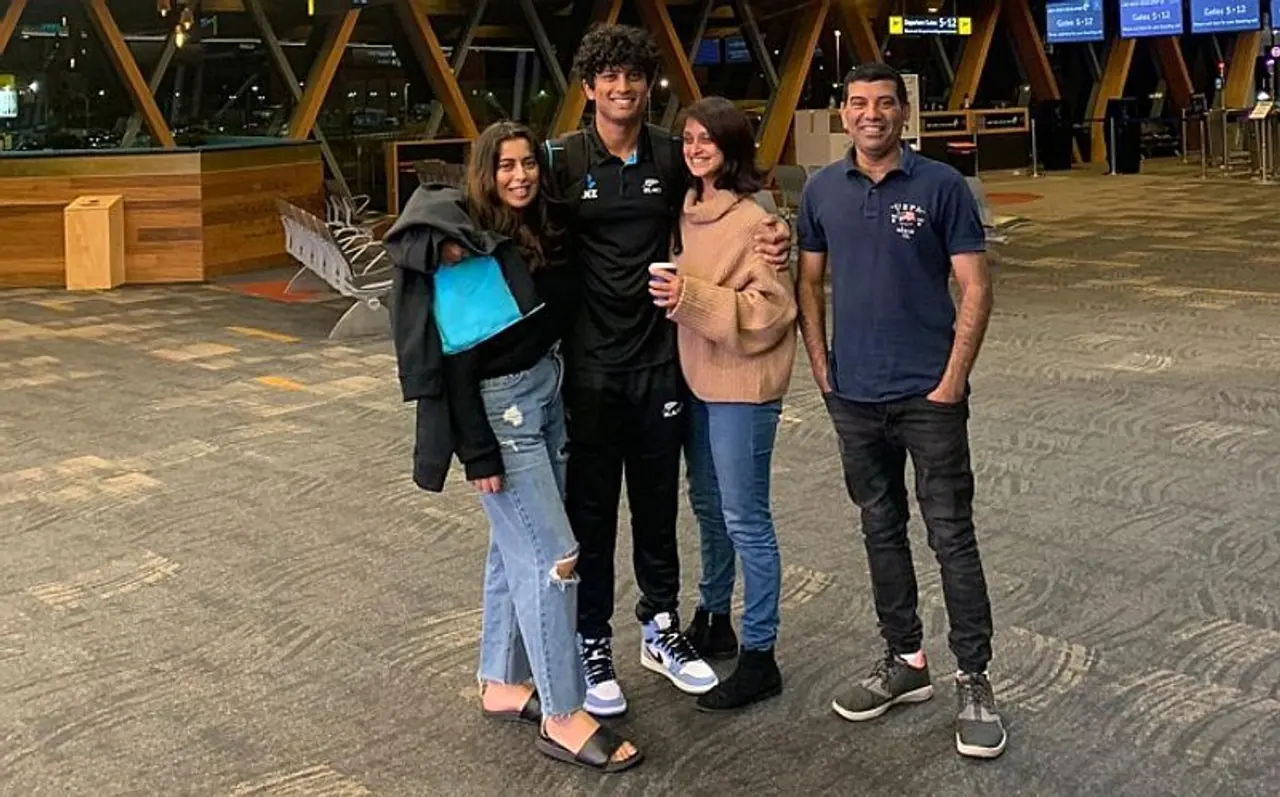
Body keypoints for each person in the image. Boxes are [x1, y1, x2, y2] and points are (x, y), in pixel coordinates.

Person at [543, 24, 793, 717]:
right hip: (591, 367)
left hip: (662, 362)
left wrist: (777, 226)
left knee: (658, 508)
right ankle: (594, 639)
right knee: (592, 513)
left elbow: (732, 196)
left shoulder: (672, 154)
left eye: (633, 76)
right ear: (588, 87)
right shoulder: (563, 159)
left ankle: (660, 626)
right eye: (608, 77)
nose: (622, 88)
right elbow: (505, 207)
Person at [384, 122, 642, 773]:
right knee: (555, 557)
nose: (520, 175)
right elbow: (458, 358)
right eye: (505, 166)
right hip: (503, 411)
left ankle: (501, 680)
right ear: (485, 172)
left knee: (513, 548)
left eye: (528, 163)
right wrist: (478, 452)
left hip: (546, 390)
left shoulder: (540, 225)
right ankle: (563, 712)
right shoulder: (465, 242)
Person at [794, 62, 1006, 759]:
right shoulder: (821, 190)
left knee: (951, 535)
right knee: (879, 529)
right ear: (843, 113)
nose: (871, 114)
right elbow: (808, 282)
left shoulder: (942, 185)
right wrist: (823, 370)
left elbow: (975, 286)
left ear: (904, 111)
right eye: (858, 103)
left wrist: (952, 381)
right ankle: (905, 660)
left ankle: (973, 676)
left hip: (928, 396)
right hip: (854, 397)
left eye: (885, 103)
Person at [649, 96, 797, 712]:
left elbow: (773, 311)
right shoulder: (683, 211)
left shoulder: (755, 221)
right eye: (687, 139)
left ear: (732, 146)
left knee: (746, 518)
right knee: (708, 508)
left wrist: (691, 299)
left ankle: (761, 654)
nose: (695, 149)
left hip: (743, 385)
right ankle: (714, 618)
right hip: (696, 380)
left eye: (707, 139)